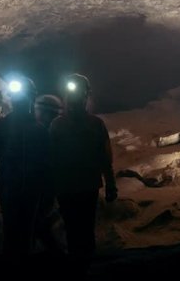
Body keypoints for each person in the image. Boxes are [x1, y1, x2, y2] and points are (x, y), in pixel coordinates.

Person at [49, 73, 118, 269]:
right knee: (76, 229)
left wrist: (111, 184)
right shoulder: (60, 125)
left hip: (79, 185)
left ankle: (83, 267)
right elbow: (51, 158)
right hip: (74, 185)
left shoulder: (92, 124)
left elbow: (105, 157)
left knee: (82, 230)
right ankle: (81, 267)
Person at [0, 76, 49, 255]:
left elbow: (47, 163)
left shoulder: (39, 129)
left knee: (25, 231)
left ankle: (19, 267)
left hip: (26, 188)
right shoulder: (7, 126)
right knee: (15, 232)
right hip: (13, 187)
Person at [33, 94, 66, 254]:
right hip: (37, 183)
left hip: (47, 184)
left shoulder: (57, 133)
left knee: (43, 218)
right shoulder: (32, 131)